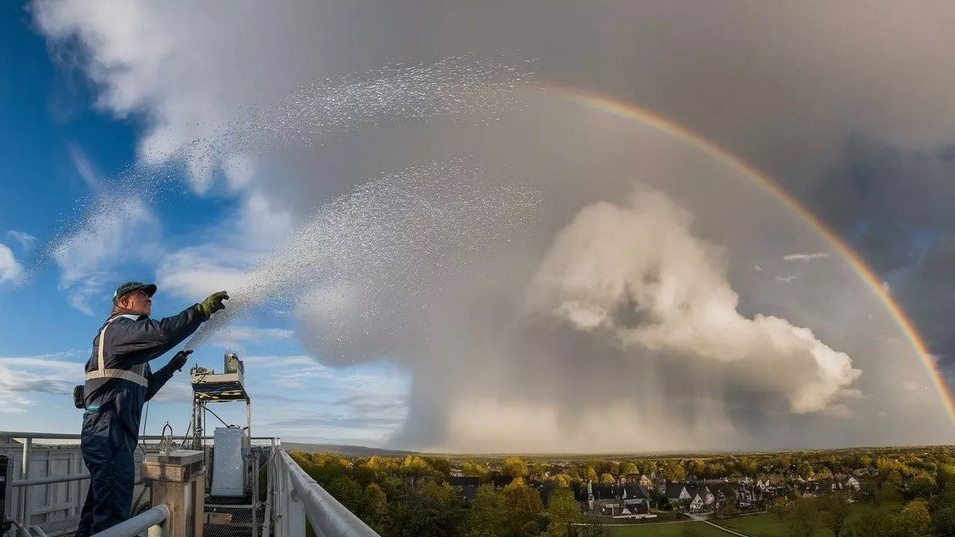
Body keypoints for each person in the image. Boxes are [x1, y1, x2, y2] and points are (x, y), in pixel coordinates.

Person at [75, 281, 228, 537]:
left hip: (115, 432)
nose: (149, 299)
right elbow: (160, 334)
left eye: (149, 295)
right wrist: (200, 312)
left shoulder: (133, 351)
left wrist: (171, 367)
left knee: (98, 511)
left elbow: (143, 392)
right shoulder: (118, 328)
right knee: (112, 518)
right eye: (142, 294)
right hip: (107, 431)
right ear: (123, 302)